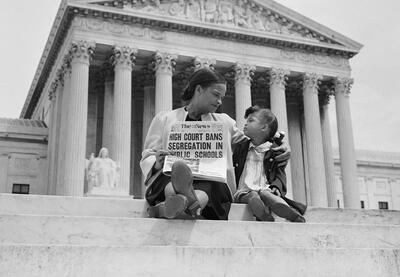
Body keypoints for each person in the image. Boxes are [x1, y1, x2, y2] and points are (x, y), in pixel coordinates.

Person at [140, 68, 290, 220]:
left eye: (222, 97)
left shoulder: (225, 122)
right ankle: (189, 204)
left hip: (210, 181)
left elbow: (254, 142)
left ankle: (175, 205)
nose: (219, 101)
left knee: (214, 183)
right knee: (171, 177)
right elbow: (148, 155)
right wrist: (157, 163)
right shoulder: (164, 119)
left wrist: (277, 144)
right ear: (199, 89)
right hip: (170, 175)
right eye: (216, 95)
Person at [233, 106, 306, 222]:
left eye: (251, 121)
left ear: (264, 127)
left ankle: (288, 211)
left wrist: (277, 187)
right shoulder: (240, 147)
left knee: (268, 195)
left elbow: (280, 173)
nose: (245, 124)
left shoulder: (275, 151)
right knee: (251, 196)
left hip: (265, 188)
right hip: (243, 190)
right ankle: (262, 213)